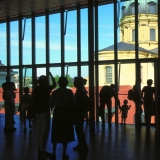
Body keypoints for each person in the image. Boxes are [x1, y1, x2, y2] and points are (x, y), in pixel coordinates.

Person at [50, 76, 76, 160]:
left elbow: (51, 104)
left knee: (56, 131)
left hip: (58, 112)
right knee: (66, 132)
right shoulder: (69, 92)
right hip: (67, 112)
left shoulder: (55, 92)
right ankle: (64, 153)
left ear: (59, 83)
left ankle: (53, 152)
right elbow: (74, 103)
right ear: (66, 83)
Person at [32, 72, 56, 159]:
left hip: (37, 111)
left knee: (38, 131)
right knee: (45, 131)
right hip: (44, 111)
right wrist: (51, 75)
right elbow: (54, 84)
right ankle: (43, 150)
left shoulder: (36, 89)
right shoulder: (47, 88)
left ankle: (39, 149)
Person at [73, 77, 89, 152]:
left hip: (78, 112)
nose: (73, 83)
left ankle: (83, 145)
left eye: (75, 81)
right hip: (81, 112)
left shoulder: (79, 92)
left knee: (79, 129)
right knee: (79, 129)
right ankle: (82, 145)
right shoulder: (81, 91)